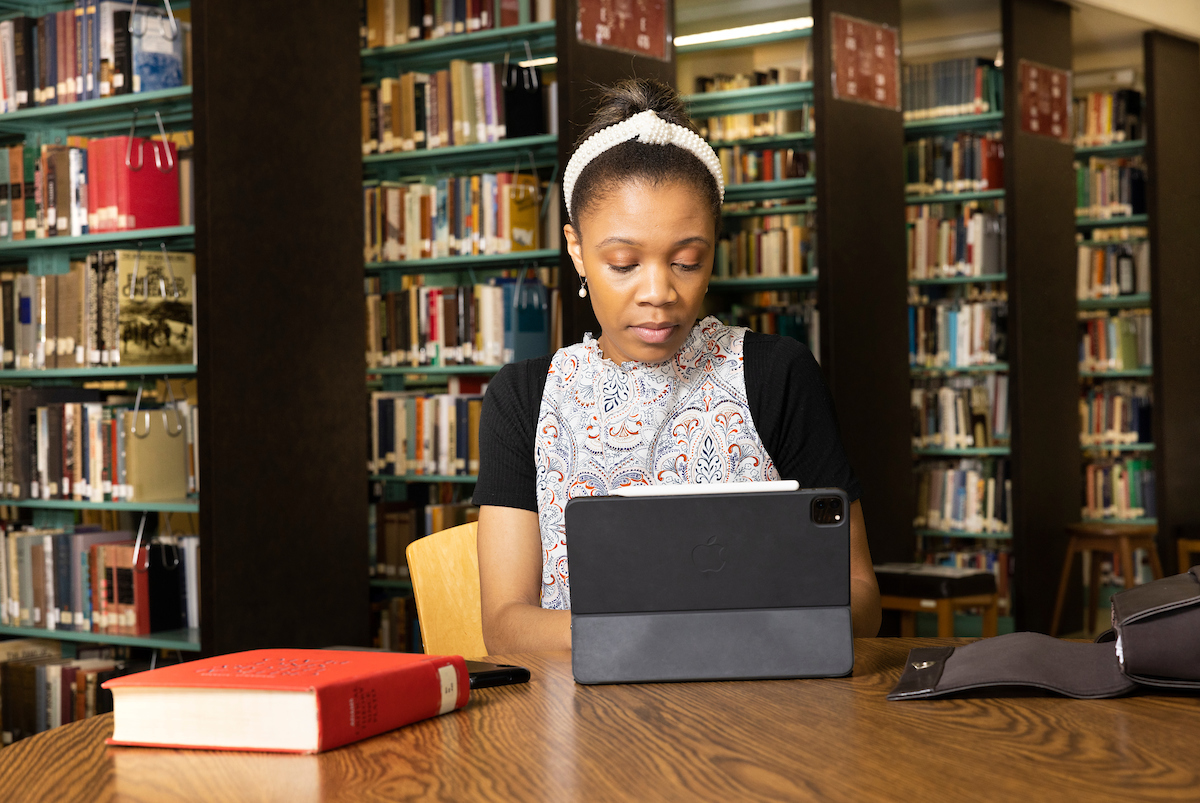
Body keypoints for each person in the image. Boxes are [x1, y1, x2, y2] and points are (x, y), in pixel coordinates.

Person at [474, 78, 881, 653]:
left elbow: (861, 598)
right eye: (623, 263)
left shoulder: (776, 375)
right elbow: (505, 627)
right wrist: (678, 630)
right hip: (582, 722)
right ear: (576, 251)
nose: (659, 292)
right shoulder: (525, 398)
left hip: (759, 715)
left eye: (688, 261)